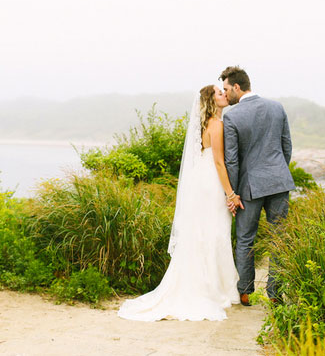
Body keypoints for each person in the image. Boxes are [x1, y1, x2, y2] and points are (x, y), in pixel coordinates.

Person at [117, 85, 240, 321]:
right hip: (212, 183)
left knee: (204, 232)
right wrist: (230, 194)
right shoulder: (216, 125)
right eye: (219, 93)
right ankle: (214, 289)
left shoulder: (206, 124)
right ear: (211, 101)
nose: (224, 94)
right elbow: (219, 163)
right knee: (215, 232)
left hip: (200, 182)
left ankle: (209, 285)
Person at [220, 66, 295, 305]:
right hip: (279, 182)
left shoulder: (231, 116)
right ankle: (275, 294)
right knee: (279, 238)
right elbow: (287, 147)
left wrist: (233, 193)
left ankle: (244, 291)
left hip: (249, 187)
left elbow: (232, 159)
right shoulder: (277, 107)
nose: (226, 94)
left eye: (227, 89)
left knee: (245, 239)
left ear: (237, 87)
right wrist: (278, 172)